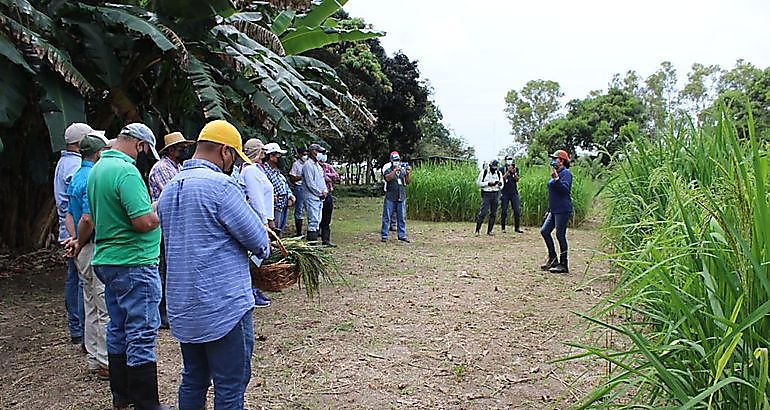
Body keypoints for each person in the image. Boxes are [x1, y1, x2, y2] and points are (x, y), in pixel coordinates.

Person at [157, 120, 270, 409]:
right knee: (230, 386)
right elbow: (259, 241)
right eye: (233, 158)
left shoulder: (169, 190)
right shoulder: (221, 187)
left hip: (184, 305)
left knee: (193, 379)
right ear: (225, 152)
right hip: (223, 306)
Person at [86, 123, 165, 410]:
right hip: (135, 261)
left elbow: (94, 217)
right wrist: (159, 211)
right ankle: (147, 403)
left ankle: (122, 395)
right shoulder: (127, 171)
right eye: (145, 151)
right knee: (141, 332)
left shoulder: (97, 169)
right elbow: (142, 221)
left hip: (108, 259)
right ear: (140, 145)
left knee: (118, 328)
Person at [64, 133, 109, 380]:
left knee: (90, 302)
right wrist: (81, 241)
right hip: (91, 245)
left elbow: (69, 214)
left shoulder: (76, 177)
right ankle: (104, 361)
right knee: (103, 305)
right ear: (99, 153)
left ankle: (94, 358)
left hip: (80, 247)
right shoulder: (93, 177)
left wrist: (74, 242)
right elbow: (87, 218)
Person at [148, 131, 193, 329]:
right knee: (164, 270)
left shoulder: (178, 167)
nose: (185, 150)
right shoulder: (161, 169)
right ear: (172, 150)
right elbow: (175, 194)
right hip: (164, 226)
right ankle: (162, 313)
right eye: (182, 147)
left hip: (175, 226)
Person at [54, 122, 91, 346]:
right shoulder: (76, 166)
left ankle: (77, 327)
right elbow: (78, 207)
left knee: (74, 279)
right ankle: (79, 327)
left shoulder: (63, 162)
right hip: (75, 232)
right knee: (79, 281)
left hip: (69, 229)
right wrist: (79, 238)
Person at [238, 138, 274, 308]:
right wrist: (265, 222)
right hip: (256, 219)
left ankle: (253, 288)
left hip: (261, 217)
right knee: (253, 257)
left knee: (255, 257)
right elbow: (256, 199)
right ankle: (250, 290)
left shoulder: (254, 169)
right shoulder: (250, 171)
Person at [540, 149, 573, 274]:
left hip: (563, 210)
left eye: (556, 158)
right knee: (544, 231)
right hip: (554, 210)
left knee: (560, 235)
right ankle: (553, 258)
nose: (553, 160)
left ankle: (563, 264)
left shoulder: (566, 174)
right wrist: (549, 209)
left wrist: (557, 179)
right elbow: (553, 193)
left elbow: (565, 190)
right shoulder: (555, 173)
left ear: (562, 161)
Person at [262, 142, 293, 237]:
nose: (280, 158)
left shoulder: (277, 171)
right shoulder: (264, 171)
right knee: (273, 232)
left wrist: (290, 195)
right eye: (278, 155)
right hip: (273, 206)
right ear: (271, 156)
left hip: (282, 204)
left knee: (279, 231)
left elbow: (284, 185)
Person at [380, 151, 411, 243]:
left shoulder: (402, 170)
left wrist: (408, 173)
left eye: (398, 160)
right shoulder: (388, 169)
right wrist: (394, 170)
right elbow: (388, 178)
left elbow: (408, 182)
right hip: (390, 196)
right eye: (395, 160)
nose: (397, 162)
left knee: (401, 217)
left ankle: (402, 235)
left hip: (401, 196)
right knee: (387, 217)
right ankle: (384, 235)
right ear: (391, 160)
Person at [301, 143, 329, 242]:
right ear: (313, 152)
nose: (321, 154)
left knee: (318, 220)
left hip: (320, 197)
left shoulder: (318, 166)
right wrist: (320, 193)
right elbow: (310, 183)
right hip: (311, 196)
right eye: (319, 152)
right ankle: (312, 242)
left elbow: (322, 181)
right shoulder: (308, 165)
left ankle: (315, 241)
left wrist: (325, 191)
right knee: (313, 220)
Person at [318, 151, 341, 247]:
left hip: (328, 194)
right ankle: (314, 239)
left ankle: (326, 240)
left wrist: (327, 176)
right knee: (317, 218)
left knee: (327, 218)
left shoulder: (328, 166)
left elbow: (336, 176)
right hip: (318, 195)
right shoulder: (314, 167)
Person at [475, 160, 503, 236]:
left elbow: (502, 185)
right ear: (490, 166)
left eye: (495, 167)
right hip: (486, 194)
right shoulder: (484, 172)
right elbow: (478, 183)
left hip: (495, 193)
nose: (494, 169)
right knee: (483, 212)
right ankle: (477, 230)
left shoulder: (499, 173)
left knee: (493, 213)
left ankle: (490, 231)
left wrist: (499, 184)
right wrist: (488, 184)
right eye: (493, 167)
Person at [500, 156, 523, 233]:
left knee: (517, 210)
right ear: (505, 160)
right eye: (508, 159)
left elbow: (517, 179)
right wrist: (508, 172)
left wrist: (514, 173)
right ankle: (503, 228)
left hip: (514, 193)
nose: (510, 161)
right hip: (504, 193)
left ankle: (517, 228)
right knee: (504, 210)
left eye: (511, 159)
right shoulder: (502, 169)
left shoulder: (515, 168)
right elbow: (502, 178)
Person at [289, 147, 308, 236]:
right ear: (299, 155)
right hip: (299, 187)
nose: (305, 156)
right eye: (303, 154)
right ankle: (299, 232)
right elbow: (292, 178)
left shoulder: (308, 163)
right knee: (299, 209)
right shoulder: (296, 164)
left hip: (308, 188)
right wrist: (302, 176)